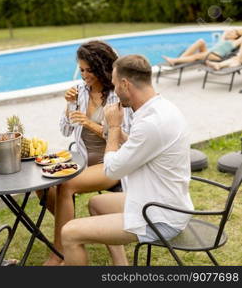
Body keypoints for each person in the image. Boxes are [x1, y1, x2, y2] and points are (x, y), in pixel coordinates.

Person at [61, 55, 194, 266]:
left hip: (159, 216)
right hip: (162, 200)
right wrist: (119, 134)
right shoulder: (161, 108)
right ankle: (121, 267)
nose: (113, 89)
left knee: (69, 232)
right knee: (97, 203)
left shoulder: (152, 122)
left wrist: (114, 128)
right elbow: (140, 145)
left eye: (114, 84)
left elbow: (112, 171)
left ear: (125, 84)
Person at [36, 41, 132, 266]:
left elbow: (125, 137)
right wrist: (69, 104)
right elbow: (66, 129)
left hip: (112, 164)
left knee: (66, 185)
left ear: (102, 69)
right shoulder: (80, 91)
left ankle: (59, 253)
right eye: (81, 70)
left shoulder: (117, 96)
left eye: (90, 70)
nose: (85, 75)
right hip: (82, 162)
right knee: (43, 185)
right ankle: (74, 229)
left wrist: (90, 124)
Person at [162, 28, 242, 66]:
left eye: (232, 33)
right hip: (209, 52)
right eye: (230, 31)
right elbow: (226, 31)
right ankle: (179, 60)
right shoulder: (222, 39)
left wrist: (238, 32)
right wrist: (232, 31)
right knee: (201, 41)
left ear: (236, 37)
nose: (230, 32)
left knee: (197, 56)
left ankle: (175, 61)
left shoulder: (234, 43)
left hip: (217, 56)